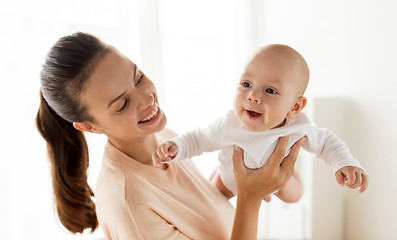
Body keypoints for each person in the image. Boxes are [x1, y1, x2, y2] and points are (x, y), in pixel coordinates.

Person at [36, 32, 306, 239]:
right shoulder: (130, 204)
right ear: (90, 127)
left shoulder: (163, 137)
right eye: (122, 104)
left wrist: (241, 175)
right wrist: (251, 197)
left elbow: (199, 212)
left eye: (138, 77)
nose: (146, 99)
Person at [153, 44, 369, 201]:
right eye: (246, 84)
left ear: (294, 107)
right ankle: (216, 181)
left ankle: (283, 181)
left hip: (274, 182)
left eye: (270, 90)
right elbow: (200, 139)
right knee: (210, 199)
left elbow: (326, 143)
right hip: (229, 180)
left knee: (295, 194)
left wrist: (345, 163)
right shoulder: (230, 124)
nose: (253, 96)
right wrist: (177, 147)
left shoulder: (298, 128)